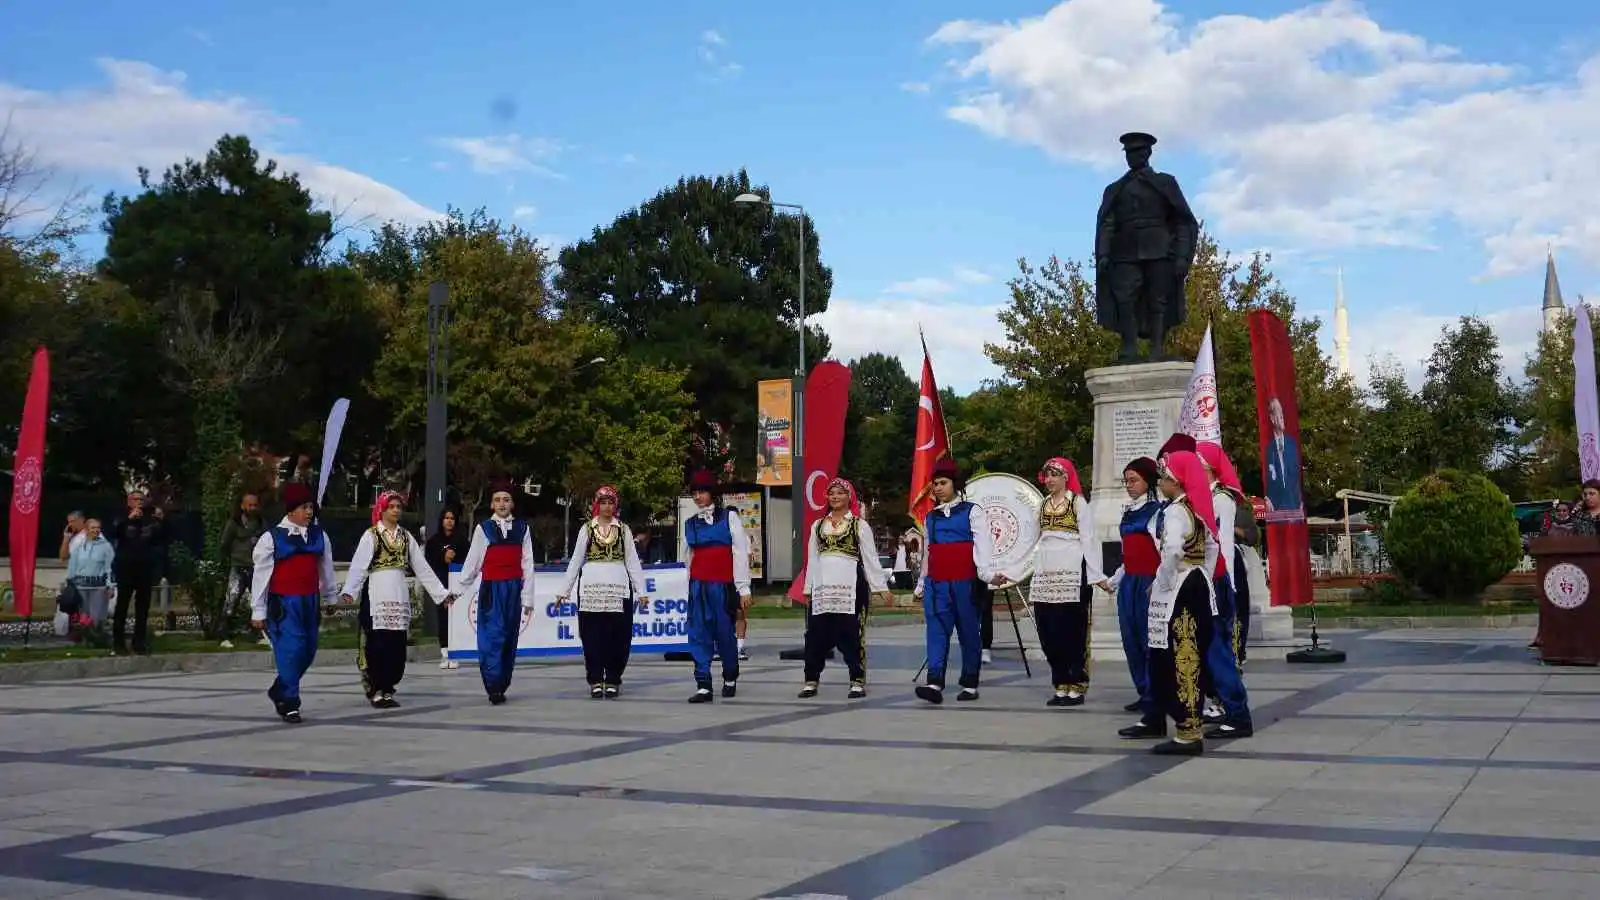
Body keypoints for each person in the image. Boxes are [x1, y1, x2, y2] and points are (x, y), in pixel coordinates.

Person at [1122, 451, 1218, 755]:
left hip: (1180, 587)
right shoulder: (1196, 508)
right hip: (1197, 582)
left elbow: (1173, 551)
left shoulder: (1176, 512)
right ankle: (1189, 727)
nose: (1160, 482)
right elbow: (1213, 547)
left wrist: (1161, 583)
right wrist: (1204, 575)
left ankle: (1188, 733)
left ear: (1175, 481)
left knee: (1180, 657)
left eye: (1164, 477)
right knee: (1190, 655)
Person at [342, 491, 451, 708]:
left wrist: (441, 594)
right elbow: (358, 566)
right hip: (377, 595)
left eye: (398, 507)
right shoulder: (371, 535)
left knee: (396, 645)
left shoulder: (405, 536)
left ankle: (389, 688)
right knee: (377, 643)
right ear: (381, 509)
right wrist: (349, 591)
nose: (395, 510)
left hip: (399, 595)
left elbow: (422, 566)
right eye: (391, 506)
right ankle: (375, 688)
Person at [1012, 457, 1104, 707]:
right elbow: (1029, 541)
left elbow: (1090, 541)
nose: (1049, 480)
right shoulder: (1041, 506)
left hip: (1072, 573)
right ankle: (1060, 682)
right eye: (1047, 475)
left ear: (1065, 477)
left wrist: (1096, 576)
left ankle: (1076, 683)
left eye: (1054, 474)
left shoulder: (1078, 504)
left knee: (1072, 631)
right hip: (1045, 573)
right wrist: (1009, 569)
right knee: (1047, 630)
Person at [914, 458, 1002, 704]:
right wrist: (922, 583)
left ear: (955, 484)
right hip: (937, 584)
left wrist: (986, 574)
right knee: (936, 631)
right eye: (935, 484)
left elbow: (983, 547)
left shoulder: (973, 511)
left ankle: (970, 683)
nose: (938, 488)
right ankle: (934, 682)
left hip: (966, 583)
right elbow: (928, 554)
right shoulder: (931, 518)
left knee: (969, 633)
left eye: (942, 483)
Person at [249, 482, 337, 723]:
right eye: (304, 507)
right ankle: (289, 702)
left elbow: (326, 568)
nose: (309, 512)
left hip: (310, 601)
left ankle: (280, 687)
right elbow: (261, 575)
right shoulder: (272, 538)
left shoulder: (319, 535)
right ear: (290, 510)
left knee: (308, 651)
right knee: (291, 650)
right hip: (284, 604)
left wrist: (330, 596)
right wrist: (258, 610)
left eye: (310, 507)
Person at [800, 478, 892, 699]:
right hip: (823, 590)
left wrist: (881, 587)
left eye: (840, 493)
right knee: (816, 636)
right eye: (832, 493)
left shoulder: (859, 525)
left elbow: (870, 558)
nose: (835, 497)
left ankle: (856, 679)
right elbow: (813, 558)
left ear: (848, 496)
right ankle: (811, 679)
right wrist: (808, 587)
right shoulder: (818, 525)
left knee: (852, 634)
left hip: (851, 589)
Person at [557, 485, 649, 699]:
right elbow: (576, 560)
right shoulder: (587, 529)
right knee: (592, 635)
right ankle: (596, 678)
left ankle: (614, 678)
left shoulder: (623, 529)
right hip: (591, 588)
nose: (607, 507)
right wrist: (564, 590)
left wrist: (641, 590)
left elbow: (632, 562)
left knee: (619, 635)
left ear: (615, 506)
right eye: (603, 503)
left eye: (610, 503)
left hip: (618, 587)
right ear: (596, 505)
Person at [451, 479, 537, 705]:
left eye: (506, 500)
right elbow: (473, 562)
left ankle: (503, 683)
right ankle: (493, 685)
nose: (502, 504)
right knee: (492, 637)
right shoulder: (484, 528)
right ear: (491, 504)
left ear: (512, 504)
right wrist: (457, 591)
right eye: (497, 500)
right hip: (492, 590)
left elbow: (528, 564)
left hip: (513, 589)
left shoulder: (522, 528)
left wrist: (527, 596)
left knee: (509, 637)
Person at [1195, 441, 1254, 740]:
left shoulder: (1220, 500)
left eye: (1197, 465)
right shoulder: (1202, 497)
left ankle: (1236, 711)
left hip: (1218, 579)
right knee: (1208, 649)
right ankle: (1223, 705)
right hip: (1208, 579)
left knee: (1220, 650)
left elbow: (1214, 544)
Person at [683, 470, 753, 703]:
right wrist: (688, 585)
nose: (698, 497)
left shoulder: (728, 517)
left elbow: (740, 552)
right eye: (695, 493)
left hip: (722, 586)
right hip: (699, 586)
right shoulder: (690, 524)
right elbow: (688, 557)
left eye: (702, 492)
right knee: (699, 633)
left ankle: (730, 676)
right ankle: (703, 683)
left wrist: (743, 588)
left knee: (725, 633)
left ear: (712, 493)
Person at [1106, 457, 1163, 716]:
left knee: (1148, 638)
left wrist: (1160, 582)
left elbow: (1164, 551)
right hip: (1130, 582)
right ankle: (1143, 690)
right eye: (1126, 480)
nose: (1129, 485)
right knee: (1130, 638)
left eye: (1134, 480)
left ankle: (1156, 693)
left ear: (1148, 481)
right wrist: (1115, 580)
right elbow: (1127, 556)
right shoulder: (1128, 511)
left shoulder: (1157, 512)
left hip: (1149, 582)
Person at [109, 490, 166, 656]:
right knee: (122, 606)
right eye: (135, 499)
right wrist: (128, 519)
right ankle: (118, 643)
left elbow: (161, 538)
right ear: (129, 501)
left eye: (142, 499)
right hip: (126, 568)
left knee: (143, 608)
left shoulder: (150, 518)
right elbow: (113, 533)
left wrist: (160, 521)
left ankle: (139, 642)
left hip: (145, 568)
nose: (139, 502)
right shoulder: (121, 516)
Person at [424, 507, 470, 670]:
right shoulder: (433, 542)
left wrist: (455, 558)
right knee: (443, 619)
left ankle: (455, 654)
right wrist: (442, 557)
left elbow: (469, 562)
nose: (449, 521)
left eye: (452, 518)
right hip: (441, 586)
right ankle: (445, 654)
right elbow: (428, 564)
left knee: (456, 620)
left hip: (458, 587)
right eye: (446, 518)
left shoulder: (462, 540)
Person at [218, 492, 265, 649]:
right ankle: (224, 635)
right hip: (238, 567)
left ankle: (257, 634)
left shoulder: (259, 522)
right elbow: (224, 544)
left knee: (258, 602)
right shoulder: (234, 523)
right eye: (249, 505)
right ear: (242, 506)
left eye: (255, 505)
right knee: (231, 601)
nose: (252, 508)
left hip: (255, 568)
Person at [64, 517, 116, 632]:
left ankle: (97, 638)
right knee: (82, 617)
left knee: (96, 617)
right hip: (81, 587)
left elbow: (110, 568)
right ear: (86, 530)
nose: (96, 530)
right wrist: (69, 584)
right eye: (93, 528)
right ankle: (83, 639)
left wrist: (110, 586)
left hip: (99, 587)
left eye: (98, 528)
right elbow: (72, 567)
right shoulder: (79, 547)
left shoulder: (106, 546)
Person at [1263, 397, 1303, 514]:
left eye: (1282, 414)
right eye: (1279, 414)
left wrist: (1300, 500)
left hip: (1294, 504)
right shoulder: (1269, 449)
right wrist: (1267, 498)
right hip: (1276, 506)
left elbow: (1296, 474)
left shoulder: (1292, 444)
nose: (1282, 418)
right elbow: (1269, 478)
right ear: (1272, 419)